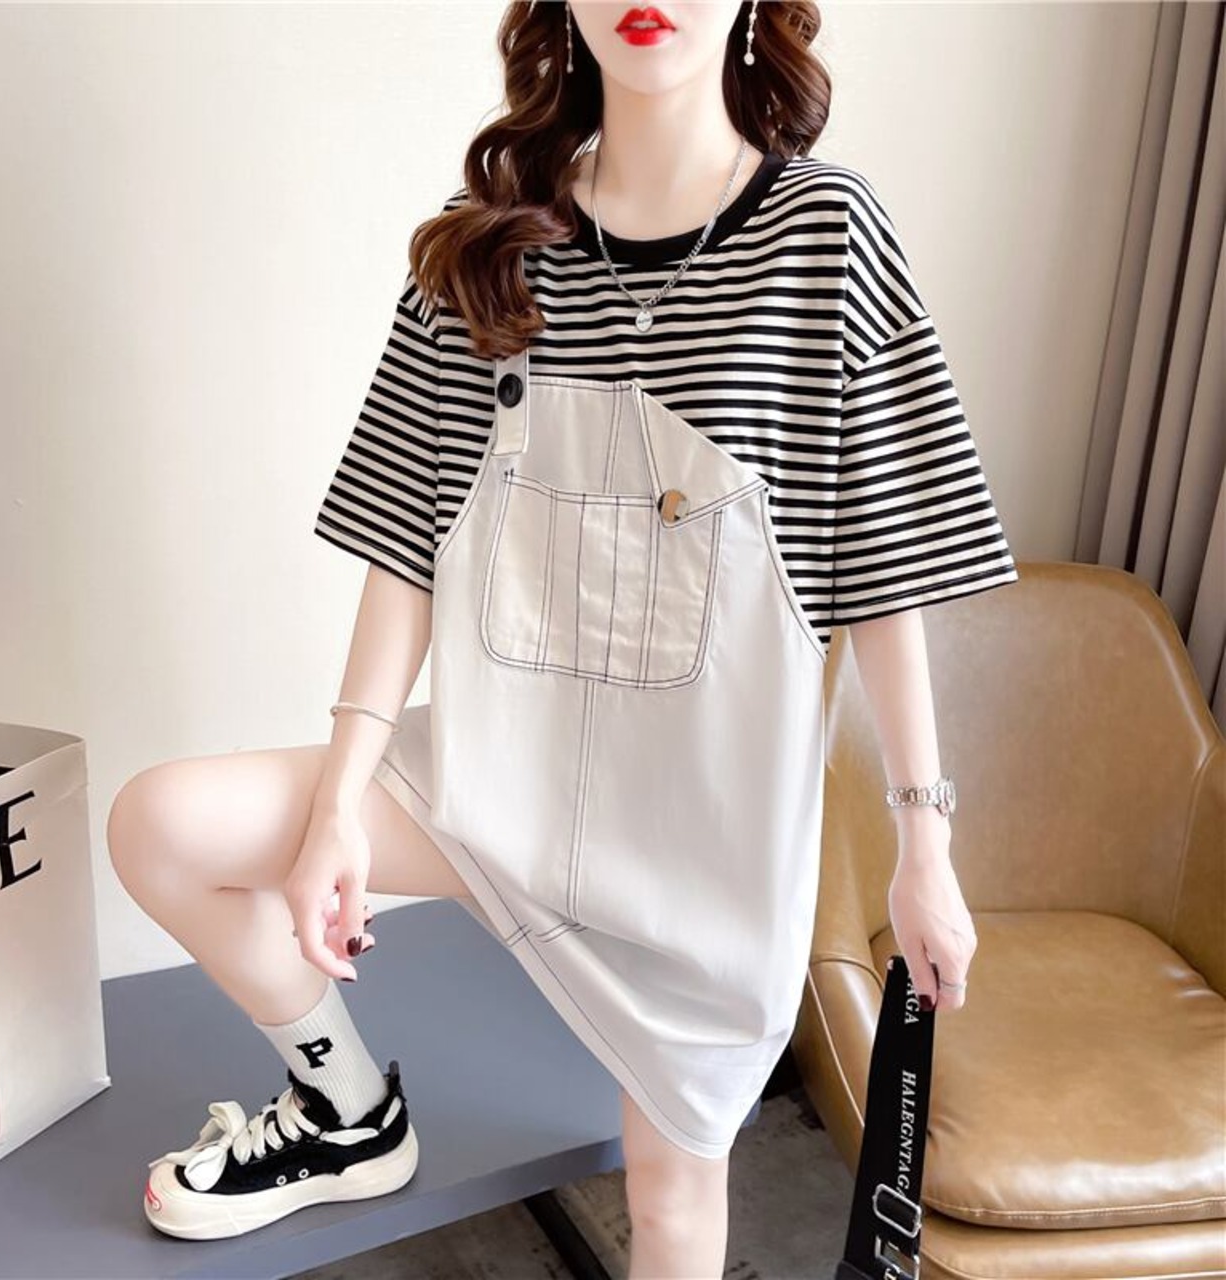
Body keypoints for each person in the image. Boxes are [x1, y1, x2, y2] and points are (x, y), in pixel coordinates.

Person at [107, 1, 1019, 1273]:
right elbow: (404, 542)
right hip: (497, 780)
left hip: (703, 851)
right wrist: (342, 799)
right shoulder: (487, 244)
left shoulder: (826, 234)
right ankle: (348, 1110)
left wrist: (924, 842)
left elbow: (886, 562)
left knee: (671, 1202)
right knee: (157, 824)